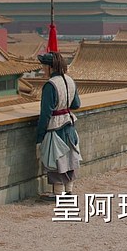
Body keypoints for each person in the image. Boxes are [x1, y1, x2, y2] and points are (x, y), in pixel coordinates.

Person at [36, 52, 82, 200]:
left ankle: (58, 193)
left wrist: (39, 136)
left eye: (44, 66)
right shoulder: (70, 81)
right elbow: (76, 104)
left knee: (57, 159)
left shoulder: (50, 85)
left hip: (56, 127)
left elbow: (45, 113)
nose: (43, 69)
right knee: (70, 158)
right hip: (70, 125)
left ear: (50, 67)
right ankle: (69, 190)